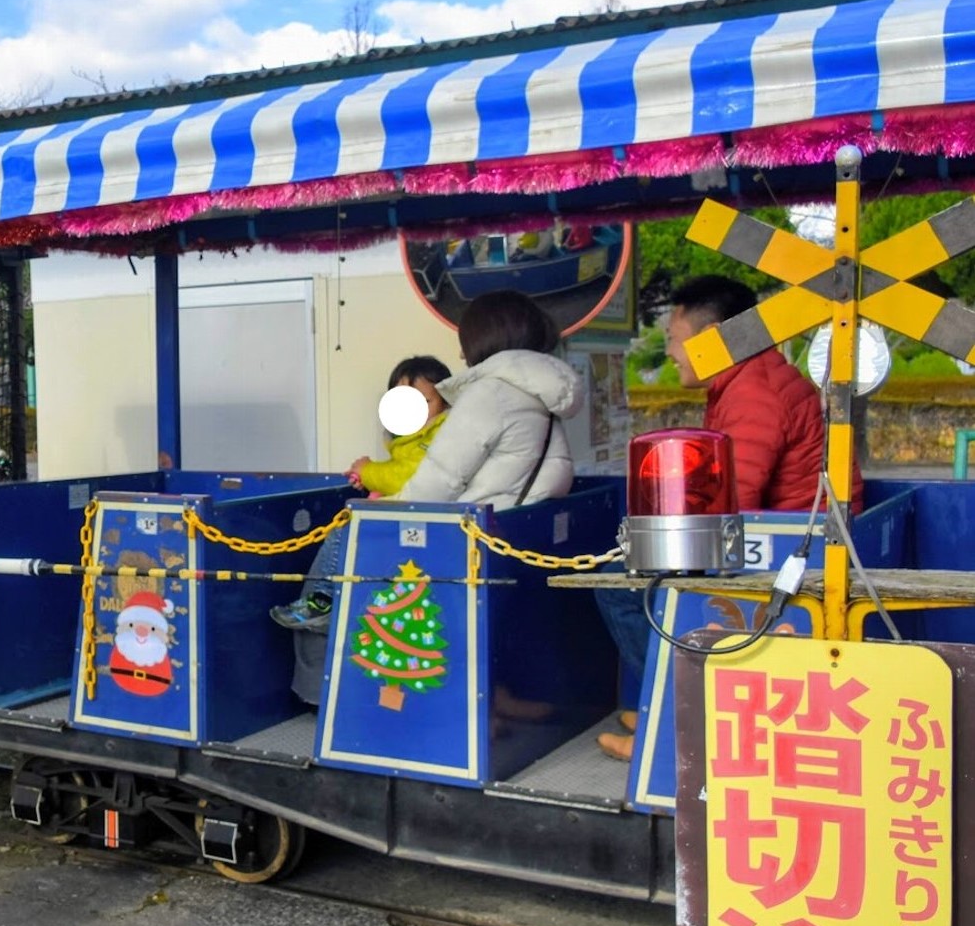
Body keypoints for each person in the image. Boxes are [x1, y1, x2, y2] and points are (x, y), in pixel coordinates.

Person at [593, 274, 862, 761]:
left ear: (712, 336)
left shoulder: (753, 392)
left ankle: (673, 721)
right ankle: (662, 706)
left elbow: (735, 497)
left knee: (621, 587)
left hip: (792, 551)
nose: (670, 352)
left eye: (673, 338)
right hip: (785, 537)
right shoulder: (746, 380)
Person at [272, 292, 583, 632]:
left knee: (349, 521)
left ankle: (321, 604)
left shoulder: (490, 394)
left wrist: (381, 507)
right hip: (510, 530)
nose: (462, 353)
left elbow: (437, 480)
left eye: (465, 340)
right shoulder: (537, 395)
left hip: (469, 537)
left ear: (486, 337)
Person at [346, 355, 452, 497]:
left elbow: (411, 479)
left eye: (424, 401)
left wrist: (367, 472)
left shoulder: (442, 434)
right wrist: (370, 484)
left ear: (446, 402)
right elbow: (399, 473)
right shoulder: (404, 440)